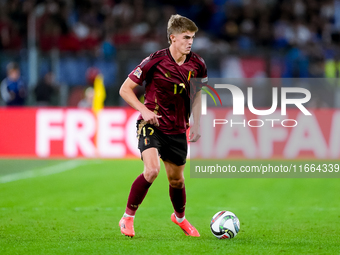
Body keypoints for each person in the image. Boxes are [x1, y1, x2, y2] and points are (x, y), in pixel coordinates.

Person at [119, 14, 208, 237]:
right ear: (173, 38)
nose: (190, 42)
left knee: (177, 181)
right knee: (151, 170)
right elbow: (125, 89)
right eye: (186, 37)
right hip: (152, 125)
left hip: (177, 129)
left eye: (193, 38)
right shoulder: (154, 60)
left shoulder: (198, 65)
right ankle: (127, 218)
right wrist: (144, 110)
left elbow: (198, 96)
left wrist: (196, 121)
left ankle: (180, 218)